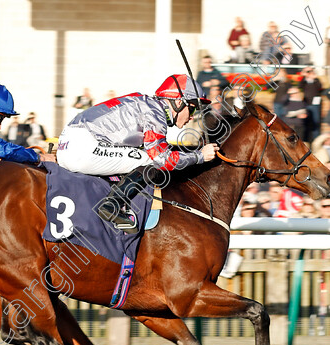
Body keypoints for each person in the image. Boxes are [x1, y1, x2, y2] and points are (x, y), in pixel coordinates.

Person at [56, 74, 219, 231]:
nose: (192, 116)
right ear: (178, 102)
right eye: (192, 109)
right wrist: (200, 156)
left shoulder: (146, 104)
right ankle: (112, 205)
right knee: (151, 161)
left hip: (70, 143)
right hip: (82, 147)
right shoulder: (155, 113)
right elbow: (162, 159)